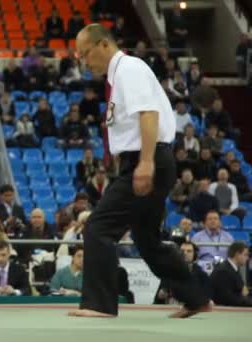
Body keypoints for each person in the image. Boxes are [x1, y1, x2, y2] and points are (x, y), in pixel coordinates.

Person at [70, 24, 210, 318]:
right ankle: (195, 298)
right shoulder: (119, 74)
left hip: (149, 159)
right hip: (146, 159)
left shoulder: (129, 69)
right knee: (147, 239)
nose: (84, 61)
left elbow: (149, 114)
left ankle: (99, 305)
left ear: (103, 45)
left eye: (85, 54)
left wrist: (145, 162)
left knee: (99, 227)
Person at [210, 241, 252, 306]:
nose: (247, 258)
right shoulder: (223, 271)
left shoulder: (233, 269)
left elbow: (242, 291)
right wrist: (247, 300)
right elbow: (227, 298)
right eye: (245, 254)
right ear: (237, 254)